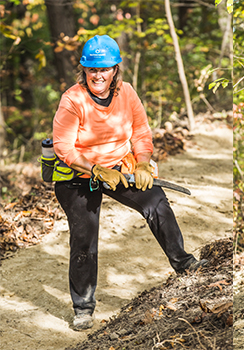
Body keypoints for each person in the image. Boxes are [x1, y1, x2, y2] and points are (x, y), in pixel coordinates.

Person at [52, 35, 207, 331]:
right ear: (84, 71)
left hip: (120, 168)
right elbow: (65, 148)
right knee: (85, 237)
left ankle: (184, 263)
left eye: (105, 69)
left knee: (157, 203)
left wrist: (144, 162)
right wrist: (95, 169)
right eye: (92, 70)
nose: (98, 75)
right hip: (78, 176)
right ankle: (83, 307)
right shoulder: (72, 100)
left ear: (115, 70)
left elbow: (140, 132)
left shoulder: (128, 93)